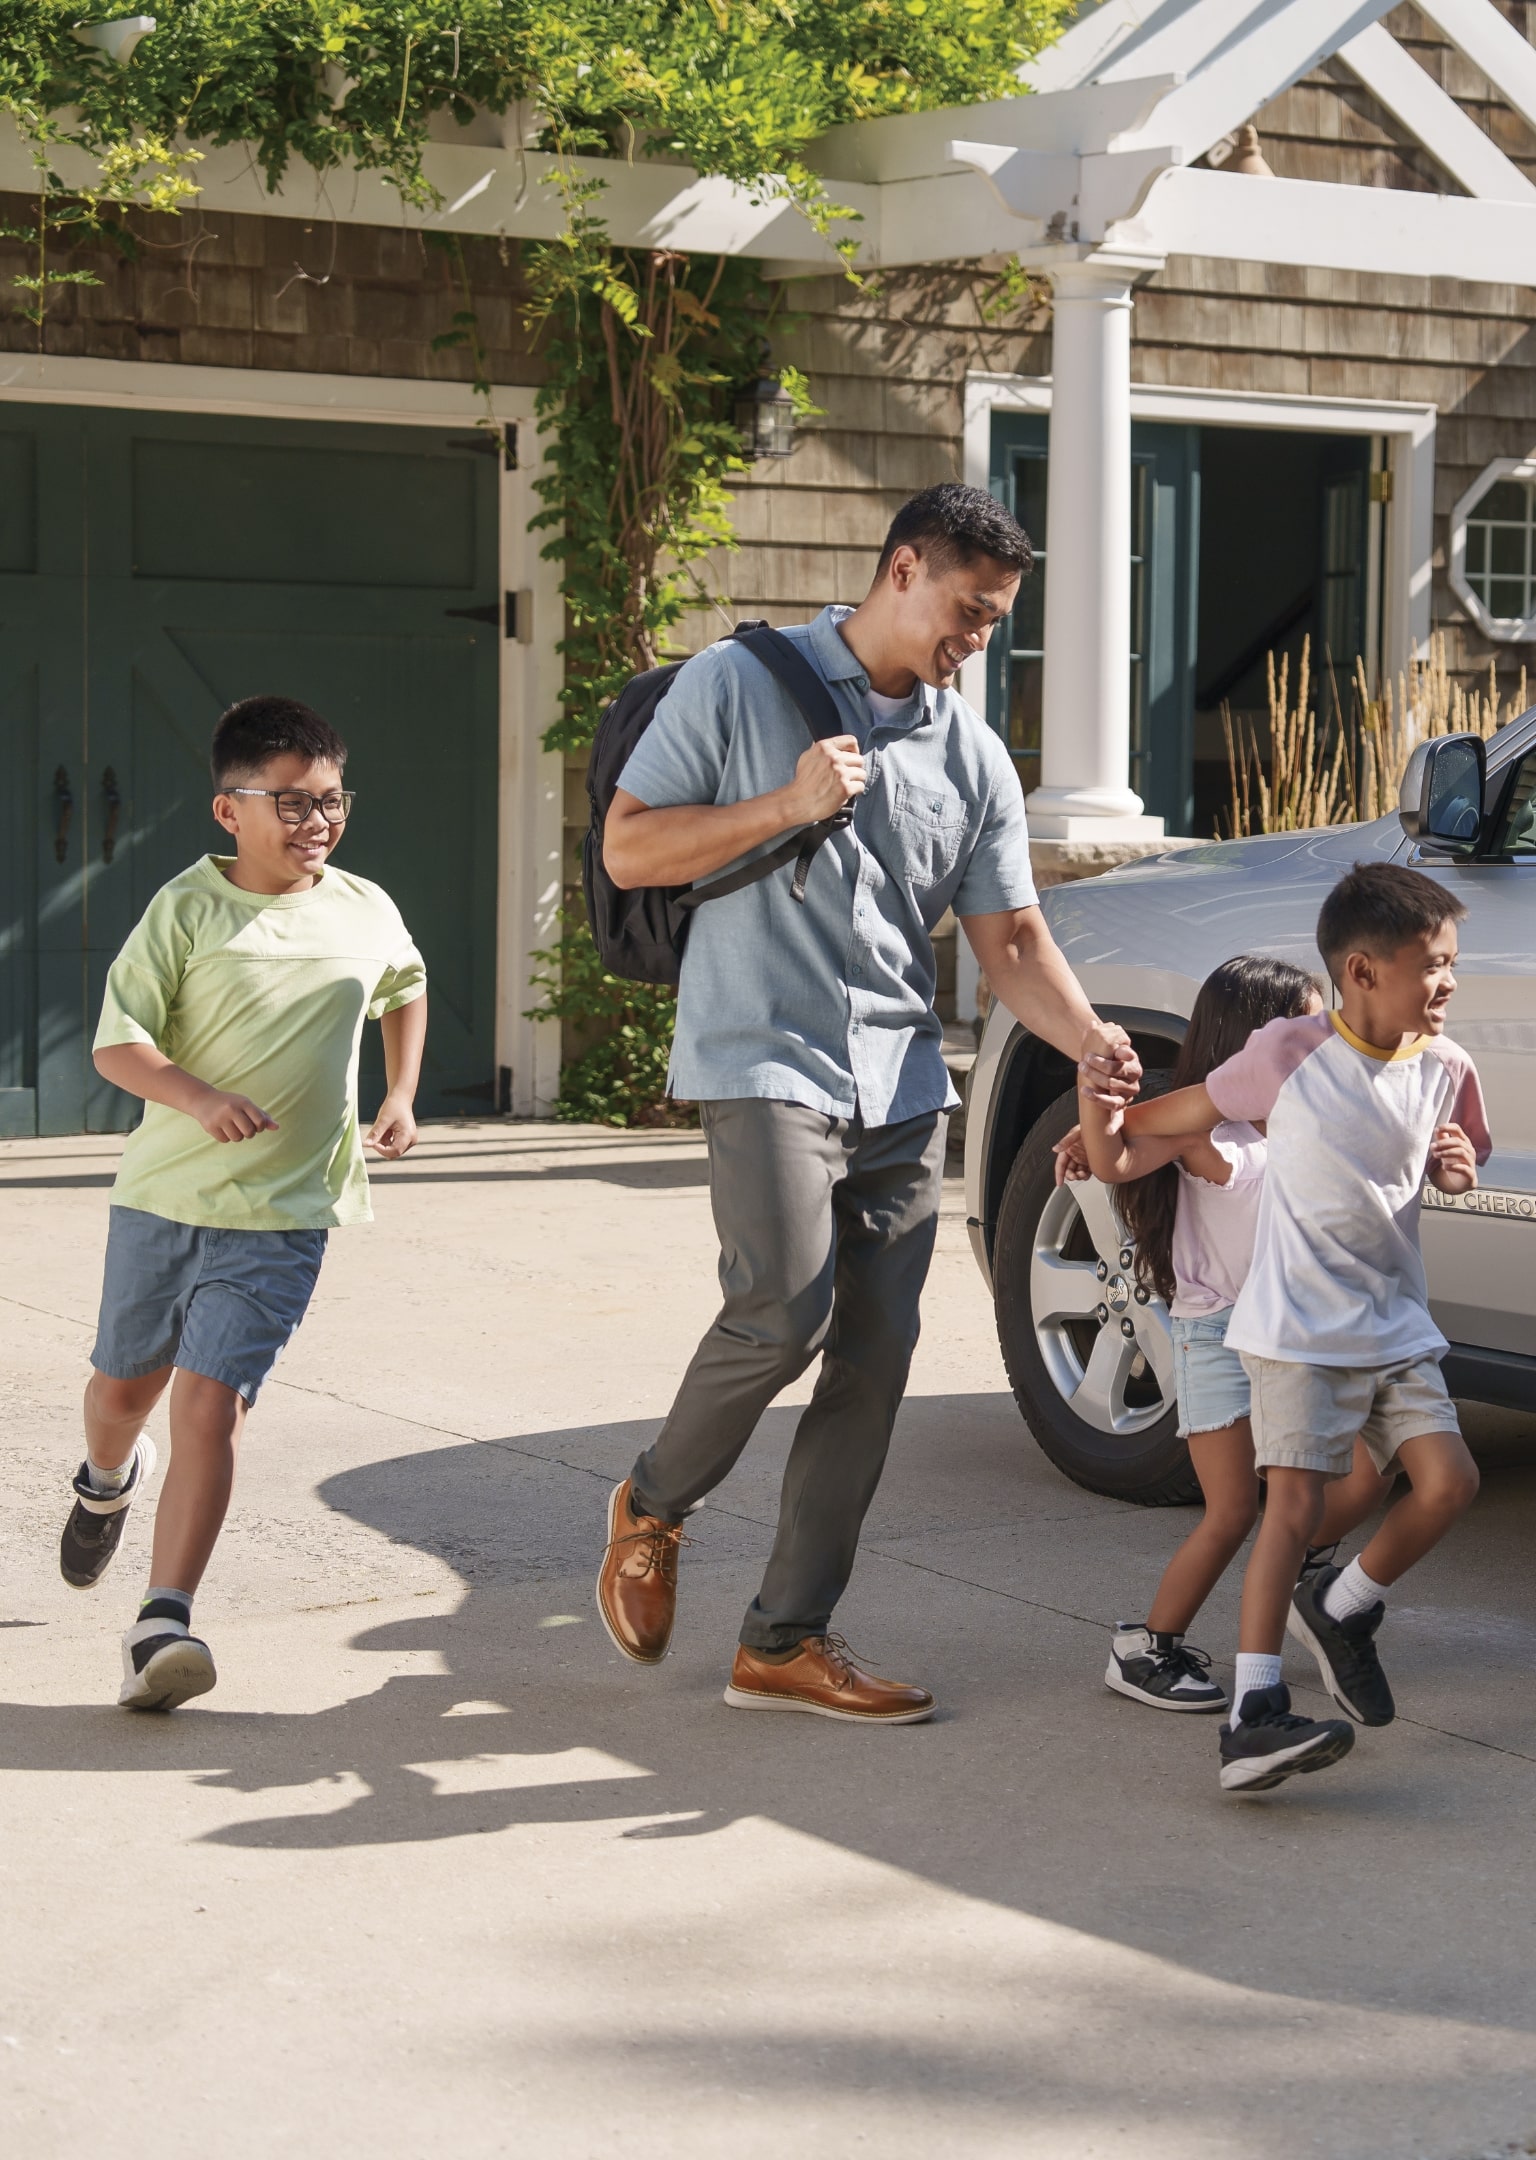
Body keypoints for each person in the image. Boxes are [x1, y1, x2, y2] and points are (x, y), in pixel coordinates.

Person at [594, 482, 1141, 1723]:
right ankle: (653, 1503)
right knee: (778, 1316)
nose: (979, 640)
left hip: (900, 1080)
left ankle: (785, 1637)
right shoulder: (737, 686)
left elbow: (1007, 939)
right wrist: (787, 804)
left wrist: (1092, 1034)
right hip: (762, 1056)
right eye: (970, 609)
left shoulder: (973, 754)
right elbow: (631, 849)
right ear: (902, 570)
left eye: (999, 620)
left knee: (876, 1358)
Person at [60, 696, 427, 1712]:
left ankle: (162, 1621)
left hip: (285, 1212)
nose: (315, 823)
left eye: (329, 801)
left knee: (209, 1407)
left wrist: (397, 1094)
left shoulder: (363, 907)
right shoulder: (182, 911)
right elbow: (116, 1042)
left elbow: (405, 986)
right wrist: (198, 1095)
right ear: (230, 810)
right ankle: (103, 1479)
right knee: (123, 1395)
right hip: (163, 1202)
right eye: (291, 804)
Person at [1109, 863, 1490, 1792]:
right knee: (1284, 1508)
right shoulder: (1289, 1053)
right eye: (1429, 965)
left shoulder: (1447, 1066)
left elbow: (1465, 1146)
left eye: (1452, 964)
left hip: (1395, 1323)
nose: (1447, 983)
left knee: (1449, 1483)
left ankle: (1344, 1601)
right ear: (1362, 971)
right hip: (1297, 1331)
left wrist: (1457, 1166)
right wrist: (1114, 1129)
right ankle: (1254, 1710)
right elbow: (1189, 1111)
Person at [1064, 956, 1393, 1714]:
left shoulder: (1320, 1117)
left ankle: (1303, 1573)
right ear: (1251, 1043)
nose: (1320, 1040)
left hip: (1297, 1334)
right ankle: (1146, 1647)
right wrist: (1092, 1116)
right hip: (1217, 1336)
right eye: (1303, 1028)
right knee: (1231, 1511)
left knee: (1371, 1473)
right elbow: (1120, 1150)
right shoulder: (1209, 1130)